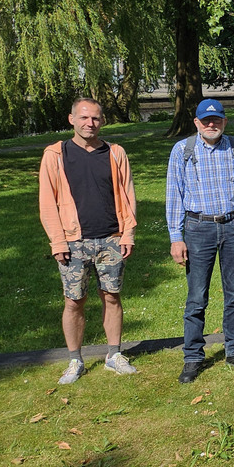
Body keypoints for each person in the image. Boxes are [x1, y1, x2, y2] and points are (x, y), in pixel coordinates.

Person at [39, 98, 139, 384]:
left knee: (112, 296)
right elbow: (47, 203)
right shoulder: (56, 155)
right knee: (74, 301)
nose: (89, 123)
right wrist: (57, 242)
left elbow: (129, 195)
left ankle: (114, 355)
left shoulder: (115, 153)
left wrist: (128, 233)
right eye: (83, 118)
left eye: (95, 118)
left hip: (111, 238)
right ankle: (74, 360)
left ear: (102, 121)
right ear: (72, 119)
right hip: (72, 242)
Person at [167, 99, 234, 383]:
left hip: (233, 227)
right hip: (198, 229)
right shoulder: (183, 150)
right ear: (196, 122)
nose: (211, 125)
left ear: (224, 122)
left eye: (216, 120)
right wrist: (176, 237)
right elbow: (175, 194)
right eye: (206, 121)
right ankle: (193, 356)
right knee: (197, 297)